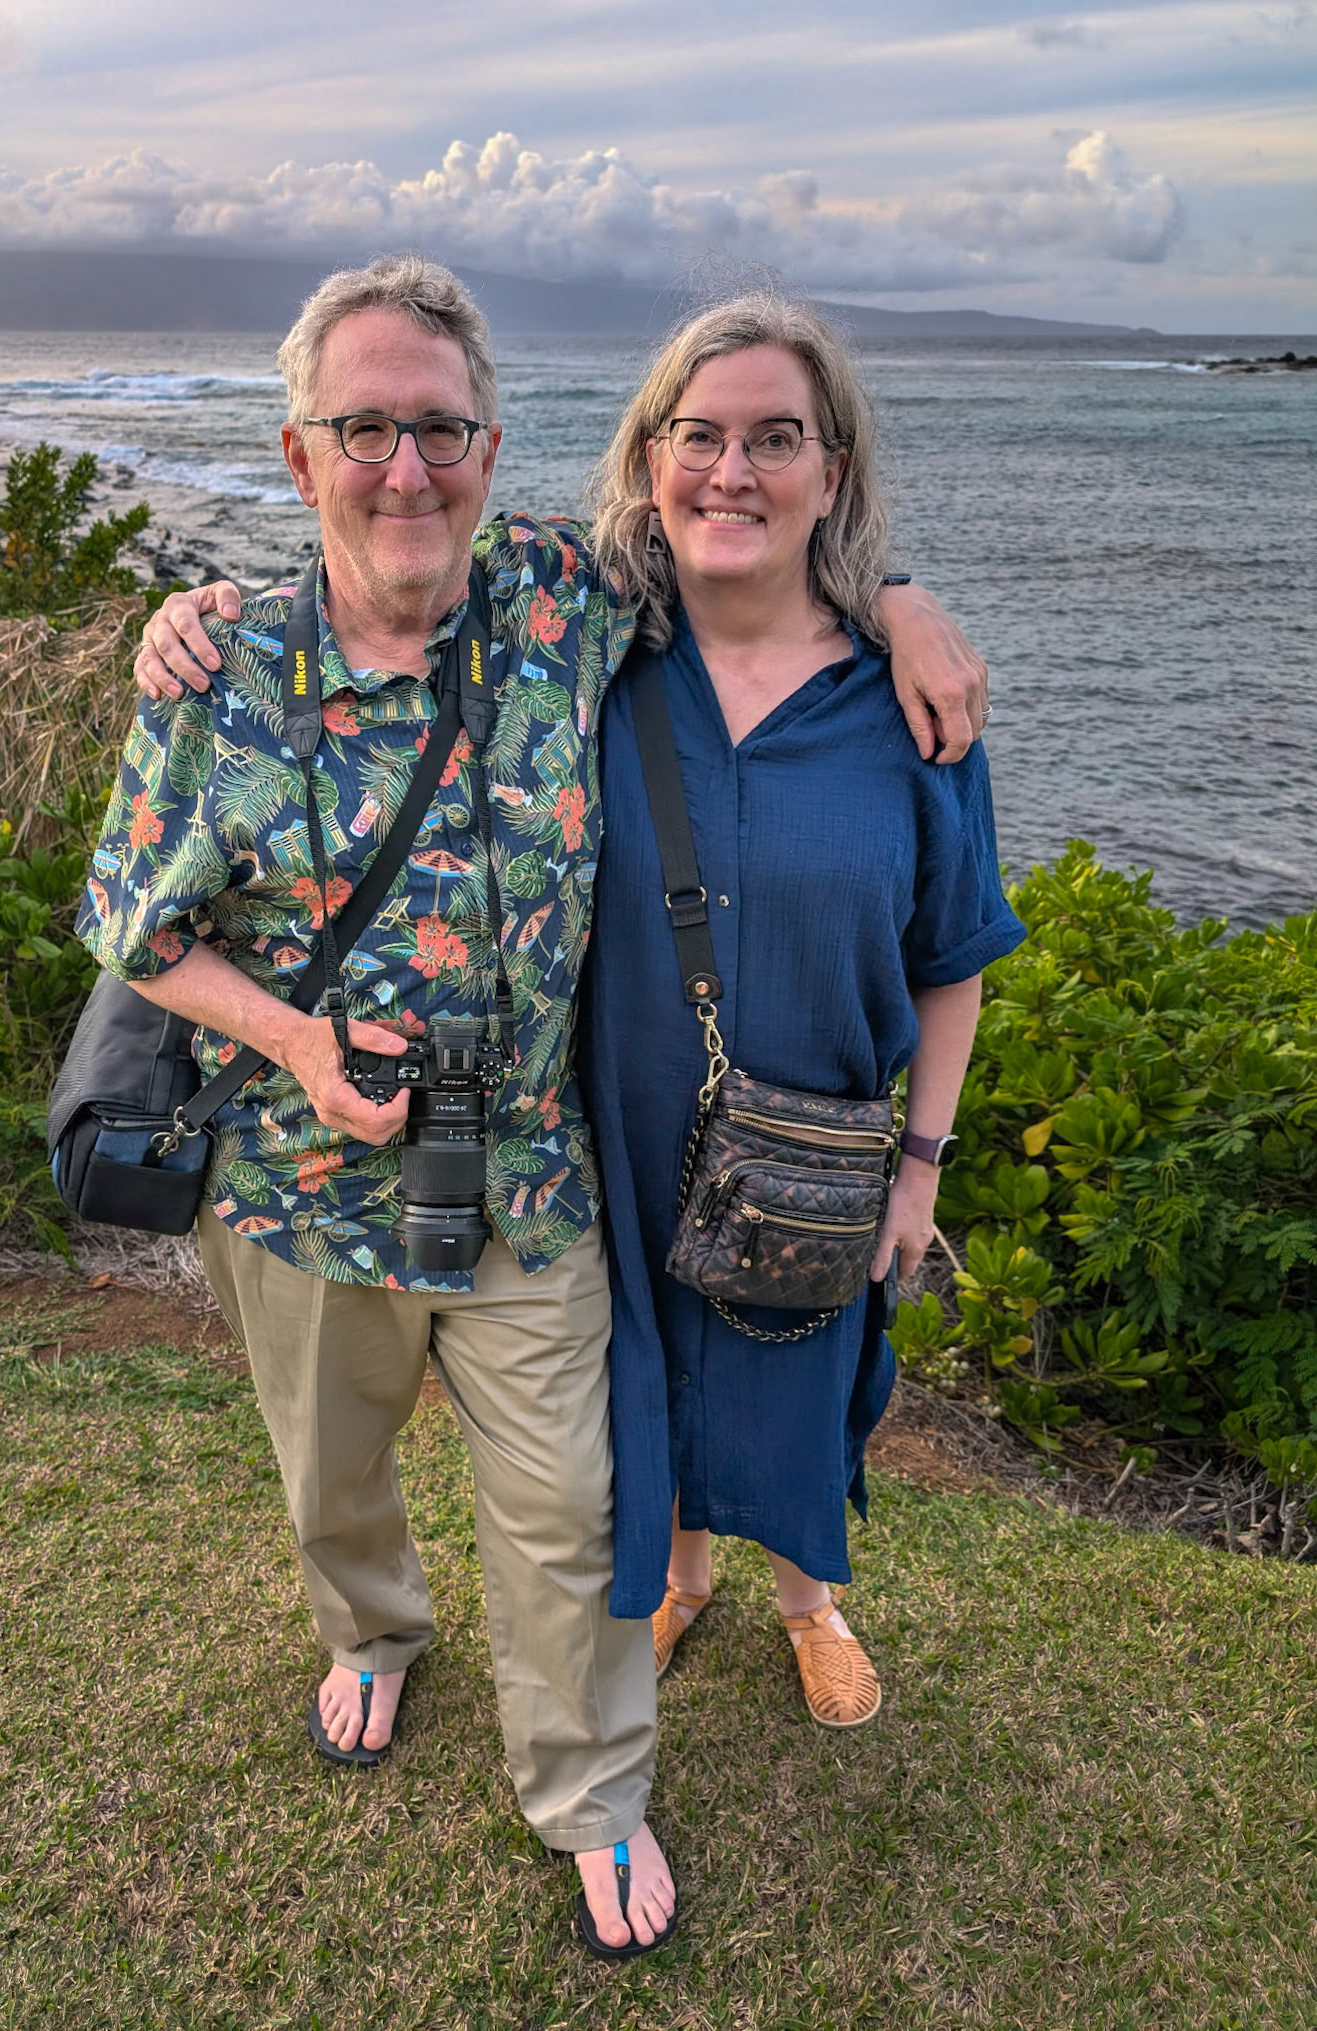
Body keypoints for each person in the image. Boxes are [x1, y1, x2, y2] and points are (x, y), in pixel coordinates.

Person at [112, 255, 989, 1956]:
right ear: (300, 454)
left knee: (571, 1512)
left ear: (491, 448)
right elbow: (136, 931)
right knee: (333, 1474)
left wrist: (904, 601)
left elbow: (758, 549)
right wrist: (293, 1040)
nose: (405, 467)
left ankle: (590, 1795)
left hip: (527, 1176)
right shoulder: (223, 670)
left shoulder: (566, 600)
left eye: (438, 428)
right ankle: (372, 1635)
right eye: (362, 428)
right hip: (301, 1182)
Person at [582, 297, 1025, 1720]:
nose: (733, 471)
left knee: (802, 1373)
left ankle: (808, 1601)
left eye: (776, 439)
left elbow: (951, 954)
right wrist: (202, 616)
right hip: (620, 1133)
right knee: (645, 1370)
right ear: (650, 460)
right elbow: (390, 591)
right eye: (700, 436)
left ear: (830, 473)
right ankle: (679, 1575)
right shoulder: (588, 669)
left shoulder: (909, 709)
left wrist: (921, 1168)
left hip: (819, 1150)